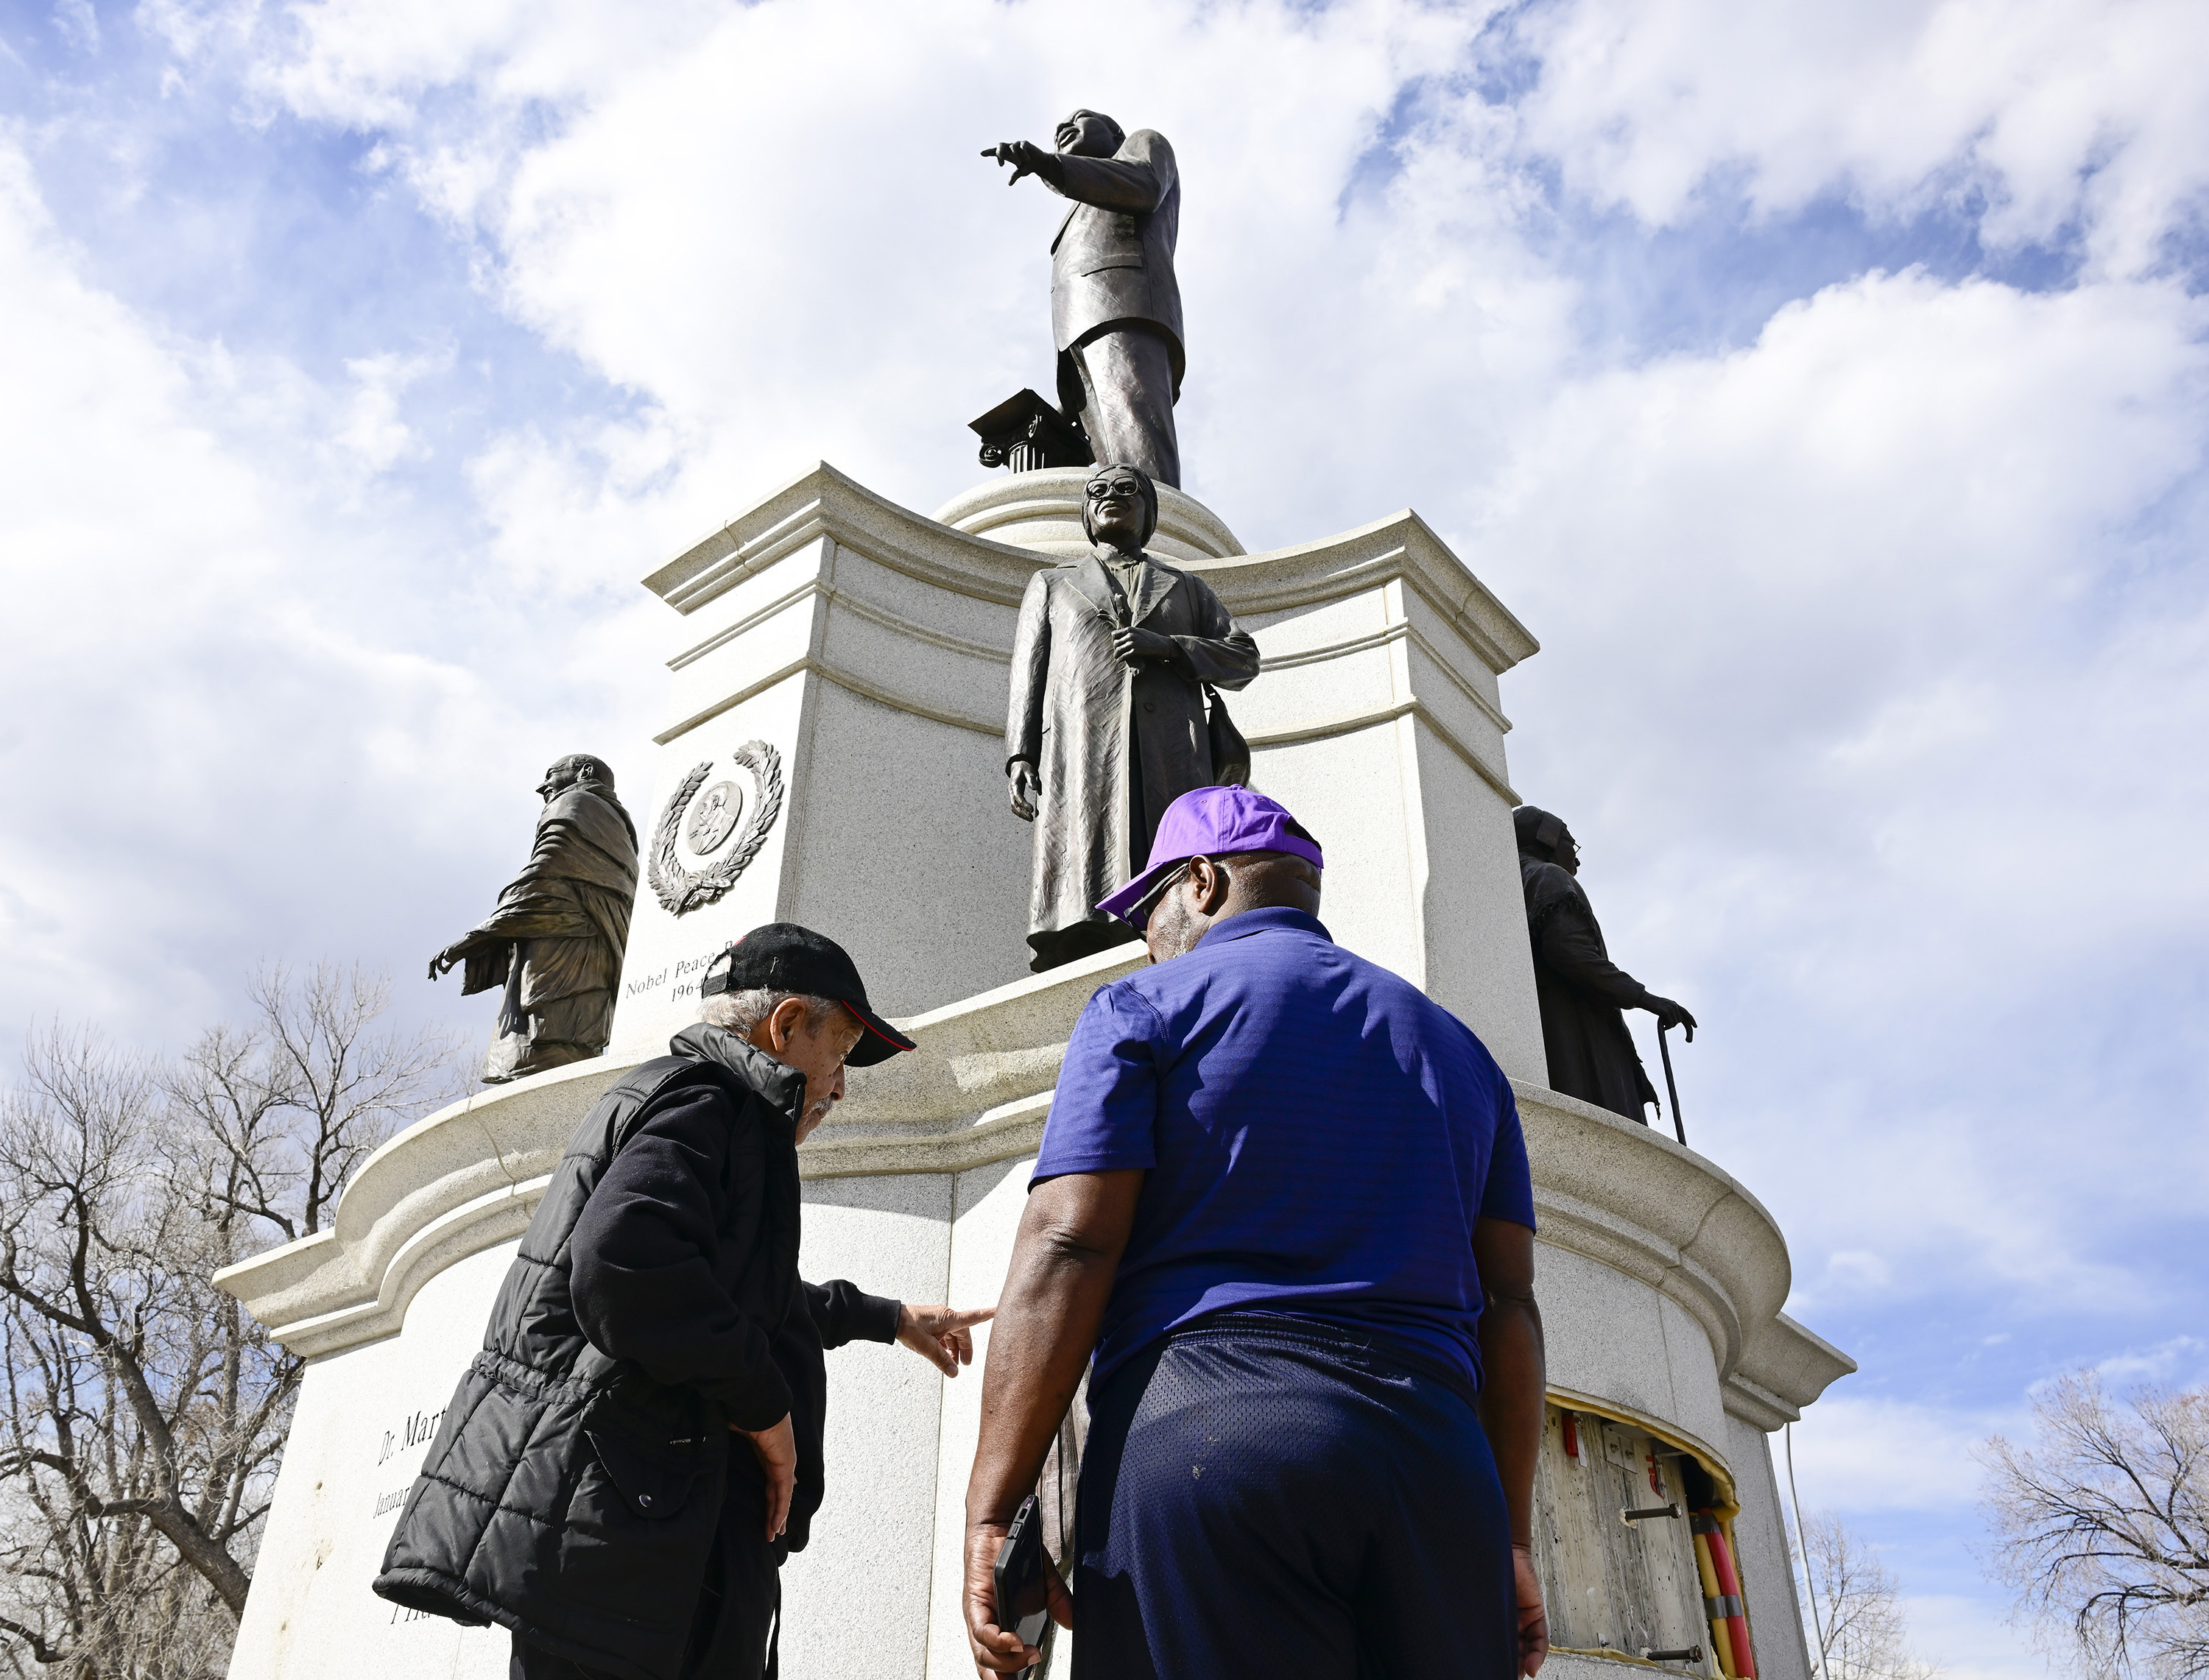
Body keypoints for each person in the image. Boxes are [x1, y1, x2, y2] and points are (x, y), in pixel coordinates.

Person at [962, 787, 1551, 1679]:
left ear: (1200, 882)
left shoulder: (1143, 1008)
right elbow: (1510, 1304)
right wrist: (1507, 1540)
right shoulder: (1462, 1051)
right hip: (1436, 1466)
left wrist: (991, 1509)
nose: (1143, 939)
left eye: (1147, 909)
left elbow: (1068, 1243)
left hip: (1209, 1436)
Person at [376, 924, 996, 1680]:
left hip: (635, 1550)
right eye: (837, 1052)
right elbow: (623, 1268)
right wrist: (767, 1407)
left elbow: (724, 1290)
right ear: (788, 1023)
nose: (839, 1086)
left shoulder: (691, 1099)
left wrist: (882, 1316)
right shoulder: (713, 1103)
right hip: (639, 1559)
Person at [1005, 462, 1259, 973]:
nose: (1110, 496)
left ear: (1147, 511)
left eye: (1127, 489)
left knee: (1169, 855)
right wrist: (1020, 753)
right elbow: (1027, 675)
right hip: (1082, 748)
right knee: (1087, 862)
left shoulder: (1185, 588)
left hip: (1171, 747)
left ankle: (1173, 924)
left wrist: (1168, 647)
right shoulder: (1053, 584)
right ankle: (1085, 933)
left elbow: (1242, 659)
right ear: (1086, 512)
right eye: (1097, 491)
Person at [982, 110, 1185, 487]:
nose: (1062, 127)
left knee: (1136, 433)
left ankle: (1164, 526)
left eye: (1079, 117)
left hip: (1126, 307)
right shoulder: (1080, 202)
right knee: (1111, 451)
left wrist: (1050, 165)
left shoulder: (1142, 142)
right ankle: (1125, 526)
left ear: (1114, 132)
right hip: (1081, 330)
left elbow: (1145, 186)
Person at [429, 753, 638, 1083]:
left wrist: (479, 935)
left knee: (546, 1052)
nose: (544, 787)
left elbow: (544, 873)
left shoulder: (575, 802)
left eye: (552, 775)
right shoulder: (620, 829)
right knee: (572, 1053)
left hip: (563, 951)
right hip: (596, 950)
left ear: (584, 773)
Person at [1515, 805, 1696, 1125]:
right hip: (1580, 1038)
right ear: (1547, 840)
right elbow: (1569, 951)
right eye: (1571, 842)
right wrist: (1646, 999)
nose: (1577, 857)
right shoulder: (1549, 877)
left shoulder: (1516, 884)